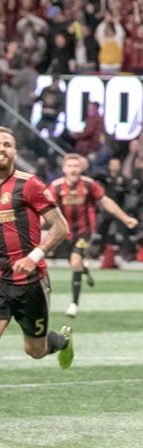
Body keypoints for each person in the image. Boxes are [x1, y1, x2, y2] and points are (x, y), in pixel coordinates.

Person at [0, 126, 74, 368]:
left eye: (7, 145)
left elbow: (60, 227)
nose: (2, 149)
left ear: (14, 152)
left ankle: (62, 342)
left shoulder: (29, 184)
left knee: (35, 350)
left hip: (30, 283)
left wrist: (34, 257)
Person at [48, 154, 138, 318]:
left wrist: (125, 218)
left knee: (75, 262)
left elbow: (105, 201)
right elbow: (46, 210)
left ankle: (74, 304)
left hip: (85, 232)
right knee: (75, 263)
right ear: (64, 169)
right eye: (70, 166)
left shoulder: (89, 185)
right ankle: (85, 269)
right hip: (65, 232)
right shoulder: (56, 187)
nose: (73, 169)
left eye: (76, 166)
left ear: (81, 168)